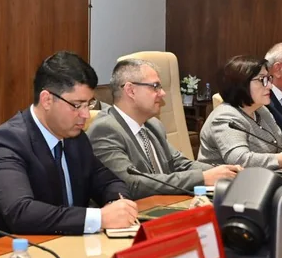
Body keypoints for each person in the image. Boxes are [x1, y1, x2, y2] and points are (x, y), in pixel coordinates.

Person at [0, 52, 136, 248]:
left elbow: (109, 181)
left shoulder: (75, 138)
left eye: (88, 104)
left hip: (57, 245)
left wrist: (118, 206)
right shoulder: (6, 142)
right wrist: (98, 218)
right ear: (47, 100)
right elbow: (21, 212)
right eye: (77, 105)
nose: (85, 114)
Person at [89, 59, 240, 198]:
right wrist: (203, 178)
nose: (162, 93)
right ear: (131, 90)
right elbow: (131, 184)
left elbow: (180, 164)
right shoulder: (105, 129)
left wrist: (226, 172)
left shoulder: (153, 125)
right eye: (155, 87)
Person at [198, 56, 282, 170]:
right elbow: (241, 160)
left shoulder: (261, 110)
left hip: (262, 176)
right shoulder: (225, 117)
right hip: (228, 180)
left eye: (268, 79)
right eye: (262, 79)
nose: (270, 85)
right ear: (240, 84)